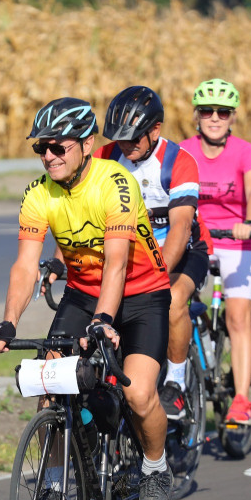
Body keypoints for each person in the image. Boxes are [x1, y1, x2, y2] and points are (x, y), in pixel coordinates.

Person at [0, 97, 174, 500]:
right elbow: (23, 266)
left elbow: (118, 263)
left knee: (139, 393)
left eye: (59, 147)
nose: (49, 156)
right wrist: (8, 322)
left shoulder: (116, 183)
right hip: (83, 293)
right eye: (41, 148)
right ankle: (56, 485)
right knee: (49, 383)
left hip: (142, 294)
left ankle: (154, 467)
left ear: (87, 143)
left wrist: (105, 321)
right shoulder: (39, 193)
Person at [93, 85, 211, 422]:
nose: (125, 145)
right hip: (129, 256)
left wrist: (156, 278)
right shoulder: (105, 158)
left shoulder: (178, 162)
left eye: (133, 138)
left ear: (155, 130)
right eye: (119, 138)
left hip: (182, 253)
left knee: (171, 300)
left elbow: (179, 229)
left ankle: (175, 382)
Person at [181, 79, 251, 425]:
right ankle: (179, 386)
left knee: (237, 318)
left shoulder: (245, 152)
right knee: (175, 308)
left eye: (223, 112)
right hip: (197, 241)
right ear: (197, 116)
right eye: (207, 111)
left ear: (232, 117)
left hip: (237, 241)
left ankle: (241, 399)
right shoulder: (183, 150)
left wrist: (250, 220)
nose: (215, 118)